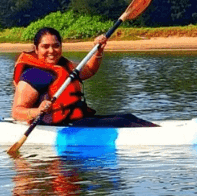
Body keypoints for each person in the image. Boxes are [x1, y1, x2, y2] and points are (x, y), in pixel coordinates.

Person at [11, 27, 155, 127]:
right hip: (56, 125)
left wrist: (98, 51)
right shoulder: (31, 75)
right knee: (125, 123)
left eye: (56, 46)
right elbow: (17, 112)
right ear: (36, 49)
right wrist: (37, 111)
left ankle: (158, 130)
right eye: (45, 46)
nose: (51, 51)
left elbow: (89, 70)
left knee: (127, 117)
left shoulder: (64, 66)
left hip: (77, 119)